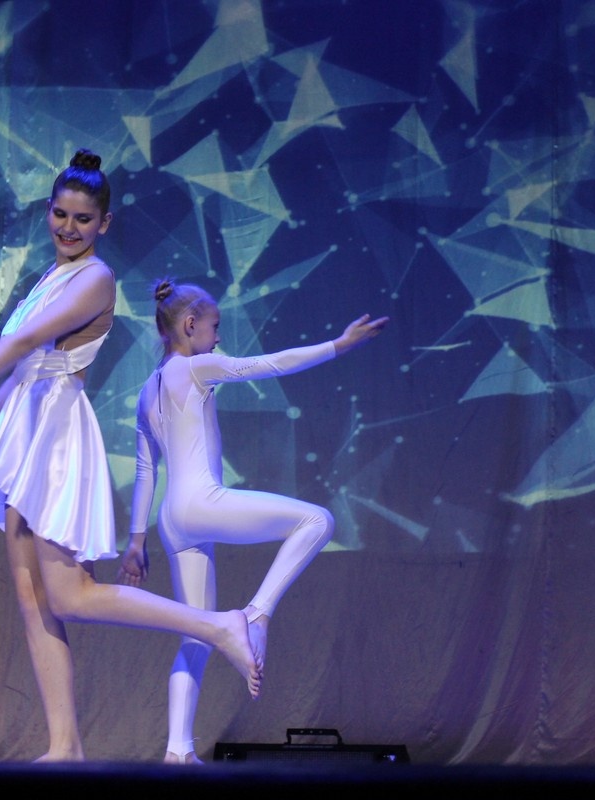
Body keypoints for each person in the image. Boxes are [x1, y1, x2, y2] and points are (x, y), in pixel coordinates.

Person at [0, 151, 260, 763]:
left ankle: (218, 624)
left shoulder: (96, 278)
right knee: (33, 599)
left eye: (82, 218)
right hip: (25, 430)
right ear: (48, 212)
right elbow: (22, 373)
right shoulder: (51, 276)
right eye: (60, 214)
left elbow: (25, 341)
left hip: (55, 436)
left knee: (71, 594)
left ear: (104, 223)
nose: (68, 227)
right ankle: (64, 746)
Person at [117, 278, 389, 764]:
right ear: (190, 325)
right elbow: (270, 364)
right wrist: (339, 345)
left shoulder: (146, 391)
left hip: (172, 522)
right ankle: (256, 615)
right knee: (318, 521)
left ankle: (178, 752)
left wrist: (136, 540)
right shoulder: (196, 368)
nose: (219, 337)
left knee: (197, 635)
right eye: (215, 326)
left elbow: (144, 471)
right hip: (203, 503)